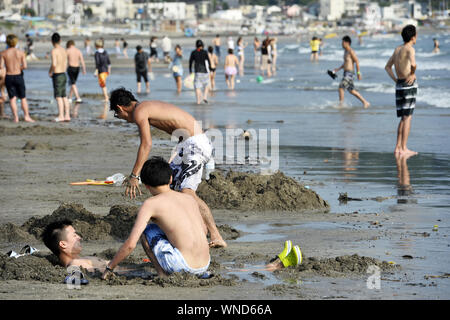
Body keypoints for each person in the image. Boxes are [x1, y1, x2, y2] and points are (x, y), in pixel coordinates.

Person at [109, 88, 227, 248]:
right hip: (187, 145)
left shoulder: (139, 112)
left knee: (187, 193)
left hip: (195, 144)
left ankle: (216, 234)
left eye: (118, 115)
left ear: (120, 108)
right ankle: (196, 229)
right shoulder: (144, 107)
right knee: (166, 187)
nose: (121, 118)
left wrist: (134, 175)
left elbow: (146, 144)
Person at [101, 157, 212, 279]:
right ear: (170, 179)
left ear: (147, 186)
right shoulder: (189, 199)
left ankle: (162, 274)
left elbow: (131, 244)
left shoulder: (151, 204)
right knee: (165, 228)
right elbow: (204, 230)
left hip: (181, 266)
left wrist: (110, 267)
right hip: (205, 264)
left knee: (146, 231)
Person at [385, 25, 418, 157]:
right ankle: (404, 148)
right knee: (407, 117)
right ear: (413, 37)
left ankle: (398, 147)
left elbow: (387, 67)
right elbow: (414, 64)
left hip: (399, 84)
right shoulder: (410, 49)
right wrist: (412, 74)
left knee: (402, 118)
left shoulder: (397, 49)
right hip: (408, 85)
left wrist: (395, 79)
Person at [0, 34, 34, 123]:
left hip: (9, 76)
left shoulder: (3, 53)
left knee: (12, 98)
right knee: (23, 97)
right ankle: (27, 116)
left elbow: (1, 66)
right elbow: (25, 66)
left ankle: (16, 118)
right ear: (16, 42)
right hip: (18, 76)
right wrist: (19, 68)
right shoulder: (21, 52)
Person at [333, 36, 370, 109]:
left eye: (343, 42)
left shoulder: (351, 51)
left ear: (347, 43)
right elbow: (346, 63)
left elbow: (356, 61)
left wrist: (358, 73)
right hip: (345, 73)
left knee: (341, 87)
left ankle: (341, 105)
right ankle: (365, 102)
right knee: (351, 91)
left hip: (349, 73)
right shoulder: (345, 52)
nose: (342, 44)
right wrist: (338, 69)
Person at [49, 33, 70, 122]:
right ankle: (67, 115)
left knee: (58, 97)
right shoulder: (64, 50)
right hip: (64, 74)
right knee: (64, 96)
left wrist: (50, 71)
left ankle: (61, 115)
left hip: (57, 74)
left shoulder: (54, 51)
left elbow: (54, 64)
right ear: (60, 40)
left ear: (52, 41)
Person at [189, 39, 211, 104]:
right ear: (202, 45)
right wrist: (210, 68)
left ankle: (198, 101)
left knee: (197, 87)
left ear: (196, 45)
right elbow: (208, 61)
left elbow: (190, 62)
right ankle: (205, 97)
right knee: (207, 85)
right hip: (205, 71)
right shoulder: (205, 52)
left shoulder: (193, 52)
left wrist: (190, 70)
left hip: (197, 71)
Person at [94, 39, 111, 119]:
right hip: (106, 70)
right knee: (103, 83)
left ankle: (106, 98)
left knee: (102, 84)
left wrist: (96, 71)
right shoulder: (105, 52)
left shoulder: (97, 53)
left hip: (101, 70)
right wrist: (109, 70)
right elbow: (109, 61)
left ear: (96, 45)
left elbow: (97, 63)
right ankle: (106, 97)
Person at [66, 40, 86, 104]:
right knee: (73, 82)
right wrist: (84, 69)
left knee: (73, 83)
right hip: (77, 68)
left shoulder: (68, 50)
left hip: (71, 68)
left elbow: (64, 60)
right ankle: (69, 97)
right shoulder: (78, 51)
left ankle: (78, 97)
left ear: (69, 44)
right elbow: (82, 60)